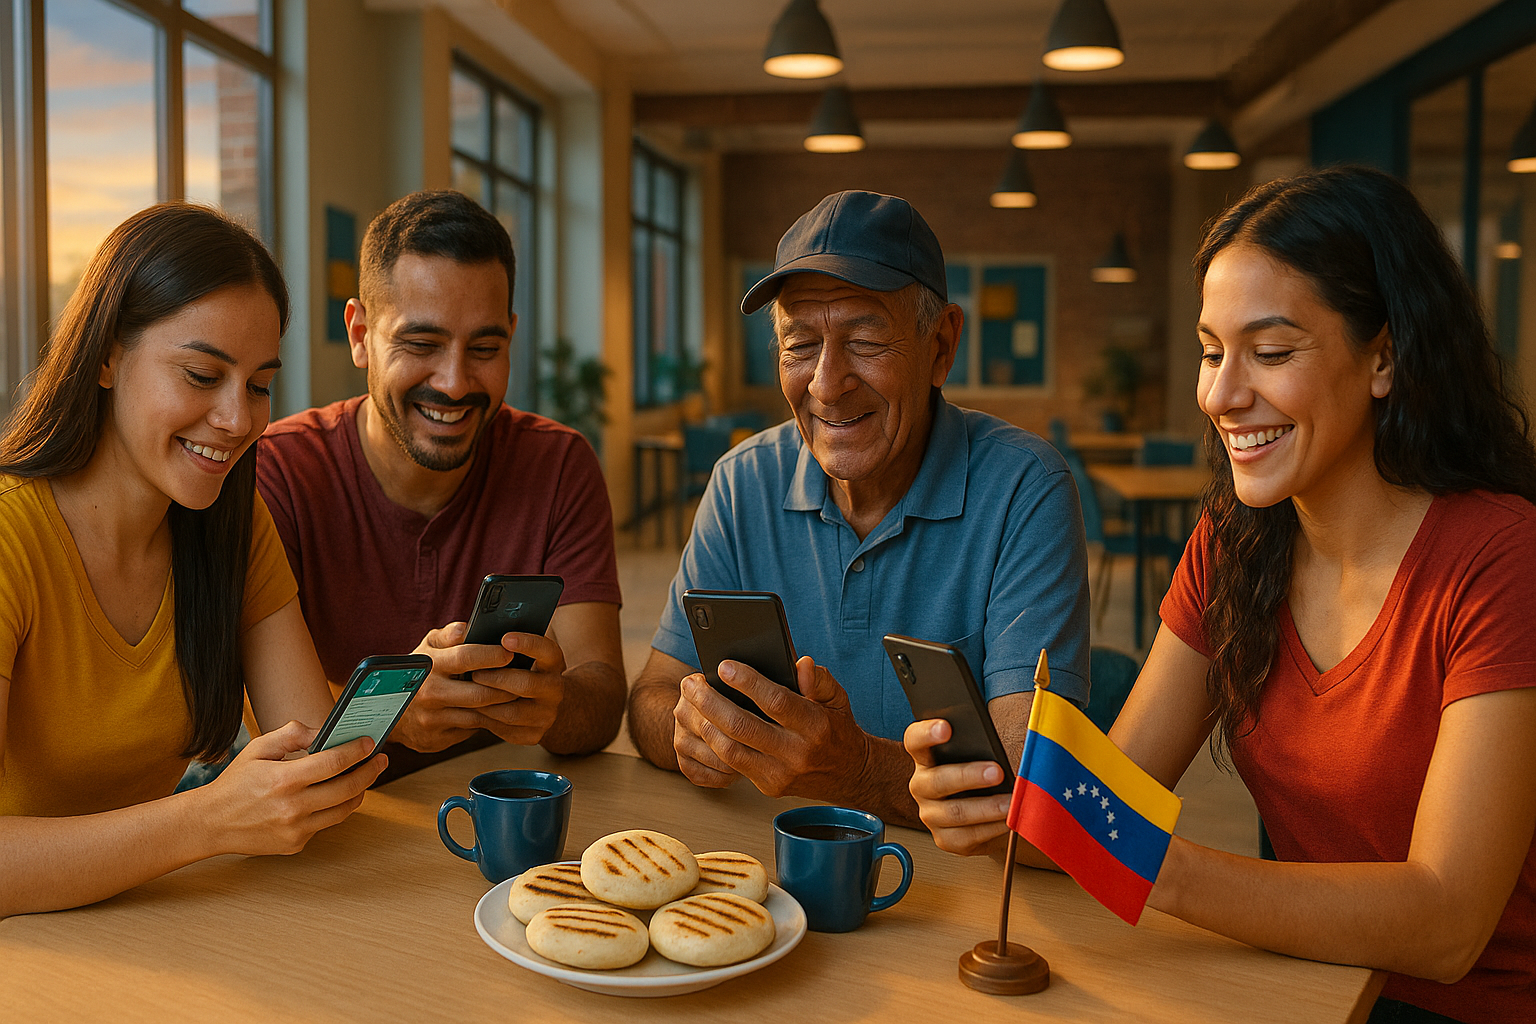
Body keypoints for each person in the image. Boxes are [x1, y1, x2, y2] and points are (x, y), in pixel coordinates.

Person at [906, 166, 1536, 1024]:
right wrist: (996, 806)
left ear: (1385, 357)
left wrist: (1150, 861)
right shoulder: (1236, 544)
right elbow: (1112, 805)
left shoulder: (1500, 558)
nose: (1221, 395)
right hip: (1302, 986)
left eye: (1270, 353)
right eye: (1211, 352)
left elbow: (1447, 927)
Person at [627, 190, 1091, 827]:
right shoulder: (741, 482)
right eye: (800, 345)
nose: (826, 384)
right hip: (777, 864)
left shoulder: (1024, 490)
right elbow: (652, 696)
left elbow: (1031, 795)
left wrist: (857, 770)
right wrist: (692, 732)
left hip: (954, 878)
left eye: (866, 340)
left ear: (940, 346)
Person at [0, 204, 385, 917]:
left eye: (259, 385)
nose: (239, 420)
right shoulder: (10, 539)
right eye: (203, 375)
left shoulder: (231, 525)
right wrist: (207, 820)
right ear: (107, 356)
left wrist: (353, 748)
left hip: (150, 917)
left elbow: (311, 757)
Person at [256, 191, 624, 782]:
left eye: (485, 349)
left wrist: (553, 705)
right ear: (360, 334)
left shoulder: (559, 465)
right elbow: (260, 723)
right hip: (334, 816)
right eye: (422, 345)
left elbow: (601, 699)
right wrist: (389, 712)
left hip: (487, 803)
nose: (454, 383)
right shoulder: (277, 471)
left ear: (511, 336)